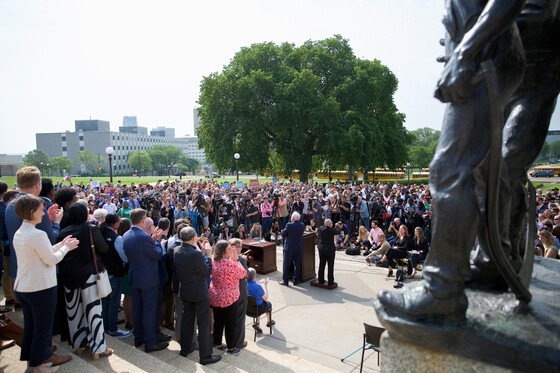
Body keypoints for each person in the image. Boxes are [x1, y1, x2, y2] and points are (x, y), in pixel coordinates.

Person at [377, 0, 528, 323]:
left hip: (483, 54)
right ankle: (491, 262)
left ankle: (441, 289)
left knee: (449, 171)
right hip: (488, 48)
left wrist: (465, 51)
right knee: (488, 170)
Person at [12, 194, 78, 372]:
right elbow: (51, 259)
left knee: (31, 328)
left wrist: (61, 244)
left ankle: (31, 363)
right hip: (40, 289)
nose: (43, 214)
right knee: (42, 329)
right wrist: (66, 248)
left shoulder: (21, 231)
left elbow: (42, 253)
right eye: (41, 211)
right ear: (32, 211)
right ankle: (38, 366)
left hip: (24, 287)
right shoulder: (37, 234)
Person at [58, 202, 113, 360]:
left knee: (74, 313)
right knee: (94, 312)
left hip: (68, 276)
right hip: (88, 275)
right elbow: (103, 248)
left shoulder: (64, 231)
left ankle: (79, 344)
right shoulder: (90, 229)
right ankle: (98, 347)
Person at [122, 208, 168, 353]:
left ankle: (139, 337)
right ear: (143, 220)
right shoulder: (143, 237)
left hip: (135, 277)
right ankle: (150, 342)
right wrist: (158, 242)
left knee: (138, 309)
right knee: (149, 310)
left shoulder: (127, 234)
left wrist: (152, 241)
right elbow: (158, 255)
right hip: (148, 279)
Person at [174, 226, 221, 365]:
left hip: (185, 290)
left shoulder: (177, 250)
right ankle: (205, 356)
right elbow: (206, 272)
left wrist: (200, 253)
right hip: (199, 292)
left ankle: (185, 348)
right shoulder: (194, 254)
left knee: (187, 320)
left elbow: (193, 266)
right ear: (194, 237)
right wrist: (208, 255)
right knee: (204, 323)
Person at [209, 240, 247, 356]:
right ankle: (231, 347)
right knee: (231, 324)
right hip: (229, 298)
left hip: (215, 297)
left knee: (218, 321)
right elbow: (243, 273)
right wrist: (236, 260)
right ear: (223, 252)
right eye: (229, 249)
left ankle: (218, 343)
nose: (231, 251)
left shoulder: (213, 261)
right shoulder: (230, 264)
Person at [99, 213, 131, 339]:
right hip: (115, 272)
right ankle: (112, 329)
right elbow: (125, 257)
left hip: (103, 272)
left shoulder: (100, 233)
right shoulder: (116, 238)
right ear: (115, 223)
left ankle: (105, 327)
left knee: (105, 301)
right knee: (113, 302)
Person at [230, 238, 249, 349]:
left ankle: (231, 341)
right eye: (241, 246)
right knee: (240, 318)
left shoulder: (224, 258)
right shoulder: (240, 260)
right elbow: (245, 274)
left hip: (229, 294)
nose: (242, 248)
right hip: (239, 293)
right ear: (236, 248)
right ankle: (239, 342)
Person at [280, 212, 305, 286]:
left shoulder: (289, 225)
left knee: (286, 264)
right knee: (297, 264)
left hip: (289, 248)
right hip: (298, 247)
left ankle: (285, 280)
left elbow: (283, 234)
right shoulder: (302, 225)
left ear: (293, 218)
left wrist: (283, 230)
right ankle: (296, 280)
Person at [117, 218, 133, 330]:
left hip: (122, 270)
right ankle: (130, 321)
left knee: (127, 298)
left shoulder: (119, 238)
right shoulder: (125, 239)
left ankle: (128, 320)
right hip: (128, 270)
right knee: (130, 297)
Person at [246, 268, 274, 333]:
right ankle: (269, 321)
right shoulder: (258, 287)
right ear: (255, 276)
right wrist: (265, 285)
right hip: (258, 309)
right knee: (268, 304)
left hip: (247, 308)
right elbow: (265, 298)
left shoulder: (244, 284)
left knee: (258, 302)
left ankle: (257, 324)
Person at [316, 219, 337, 286]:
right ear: (330, 224)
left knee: (322, 264)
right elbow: (338, 231)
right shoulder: (332, 230)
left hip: (322, 249)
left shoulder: (321, 229)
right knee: (330, 266)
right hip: (330, 250)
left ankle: (320, 279)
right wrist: (336, 226)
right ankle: (330, 281)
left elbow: (322, 226)